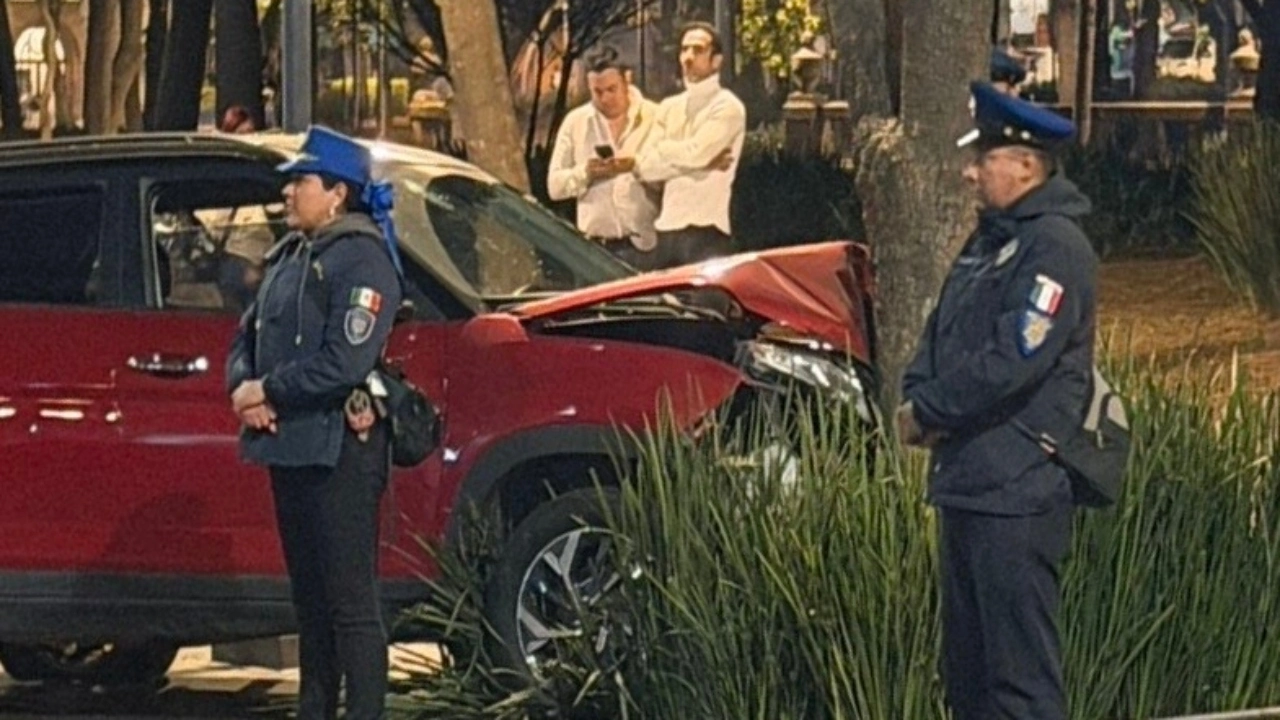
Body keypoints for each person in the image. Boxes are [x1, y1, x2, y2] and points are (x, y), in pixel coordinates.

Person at [897, 82, 1097, 720]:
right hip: (967, 481)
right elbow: (939, 332)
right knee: (969, 676)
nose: (969, 171)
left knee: (1019, 682)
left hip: (1016, 490)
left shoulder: (1056, 246)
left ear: (1026, 165)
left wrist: (932, 410)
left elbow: (1017, 354)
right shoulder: (990, 241)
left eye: (983, 158)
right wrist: (916, 395)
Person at [226, 125, 403, 720]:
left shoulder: (362, 259)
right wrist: (244, 391)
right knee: (310, 603)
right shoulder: (290, 256)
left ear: (337, 193)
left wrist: (270, 389)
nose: (288, 193)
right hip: (289, 445)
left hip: (340, 453)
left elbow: (344, 359)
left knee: (351, 604)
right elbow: (247, 335)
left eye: (300, 181)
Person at [635, 21, 745, 269]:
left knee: (704, 308)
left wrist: (666, 149)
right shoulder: (668, 107)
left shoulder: (727, 106)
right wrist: (699, 166)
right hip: (666, 231)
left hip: (707, 233)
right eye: (684, 49)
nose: (688, 57)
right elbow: (646, 168)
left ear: (716, 60)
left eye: (697, 50)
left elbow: (696, 153)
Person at [547, 47, 660, 268]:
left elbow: (670, 174)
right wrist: (586, 173)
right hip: (594, 250)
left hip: (646, 246)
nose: (605, 99)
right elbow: (554, 186)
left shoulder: (656, 116)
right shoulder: (576, 122)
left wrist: (636, 166)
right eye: (597, 92)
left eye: (611, 89)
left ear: (627, 80)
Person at [211, 106, 277, 312]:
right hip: (239, 261)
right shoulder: (227, 176)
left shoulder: (262, 169)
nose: (249, 139)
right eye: (242, 134)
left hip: (259, 261)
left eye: (251, 133)